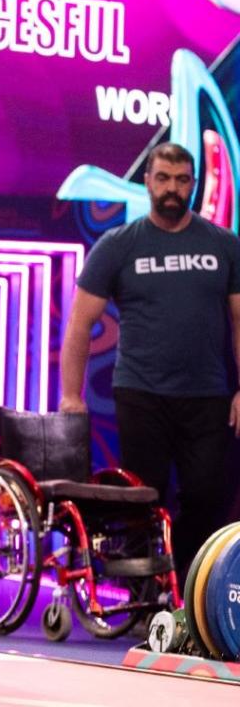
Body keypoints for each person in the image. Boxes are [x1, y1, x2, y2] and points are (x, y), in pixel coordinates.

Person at [59, 141, 240, 584]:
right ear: (148, 182)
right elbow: (81, 323)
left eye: (181, 180)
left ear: (194, 185)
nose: (172, 189)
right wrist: (70, 395)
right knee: (144, 500)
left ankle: (198, 600)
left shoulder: (224, 245)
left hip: (207, 396)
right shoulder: (119, 245)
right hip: (141, 394)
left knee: (205, 498)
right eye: (163, 179)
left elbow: (239, 321)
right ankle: (146, 601)